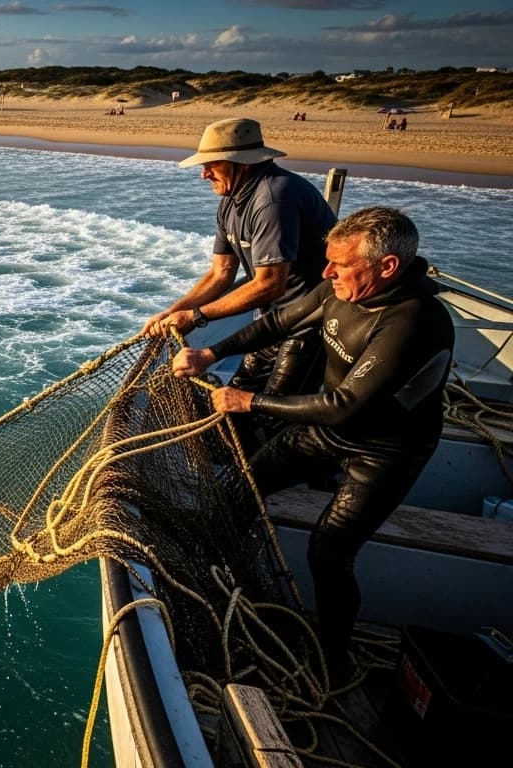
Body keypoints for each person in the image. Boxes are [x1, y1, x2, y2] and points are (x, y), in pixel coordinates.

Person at [171, 207, 454, 685]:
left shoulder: (415, 321)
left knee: (329, 553)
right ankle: (213, 587)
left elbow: (346, 405)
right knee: (242, 486)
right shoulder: (339, 290)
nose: (326, 274)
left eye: (340, 265)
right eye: (328, 262)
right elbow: (278, 323)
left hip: (385, 450)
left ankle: (334, 661)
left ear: (387, 266)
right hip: (329, 428)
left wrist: (249, 401)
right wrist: (211, 352)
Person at [143, 117, 337, 416]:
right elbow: (220, 273)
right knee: (237, 397)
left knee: (274, 411)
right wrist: (173, 312)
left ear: (242, 164)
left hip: (308, 322)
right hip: (270, 321)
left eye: (212, 165)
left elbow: (270, 283)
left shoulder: (274, 199)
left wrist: (196, 316)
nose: (204, 174)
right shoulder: (231, 200)